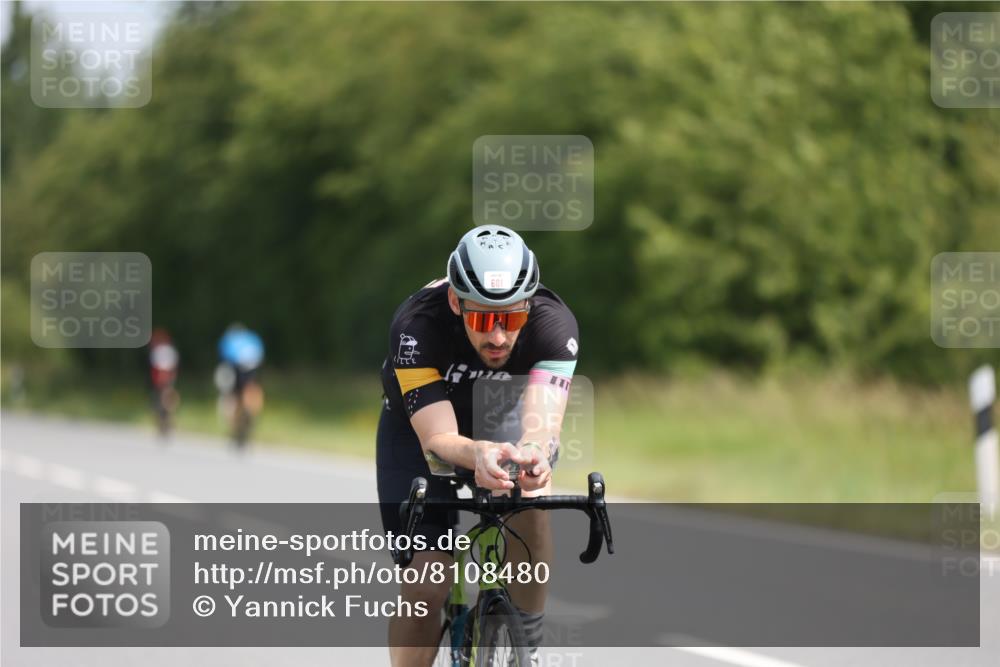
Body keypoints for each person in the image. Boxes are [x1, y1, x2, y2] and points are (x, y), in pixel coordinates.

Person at [378, 224, 579, 666]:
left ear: (529, 305)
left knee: (532, 501)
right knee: (426, 585)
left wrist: (534, 454)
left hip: (499, 418)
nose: (499, 337)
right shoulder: (417, 326)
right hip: (419, 430)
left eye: (512, 319)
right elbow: (438, 439)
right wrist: (478, 454)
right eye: (484, 320)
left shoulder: (554, 326)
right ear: (456, 302)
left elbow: (542, 427)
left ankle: (527, 642)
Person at [215, 323, 265, 447]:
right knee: (251, 389)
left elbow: (223, 357)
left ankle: (234, 420)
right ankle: (251, 410)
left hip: (236, 368)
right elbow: (260, 353)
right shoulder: (252, 338)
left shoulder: (229, 339)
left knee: (232, 395)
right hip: (252, 368)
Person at [148, 328, 180, 437]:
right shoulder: (167, 350)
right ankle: (165, 424)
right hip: (164, 380)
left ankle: (164, 424)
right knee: (163, 403)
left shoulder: (161, 351)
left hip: (162, 380)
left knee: (162, 403)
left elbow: (161, 368)